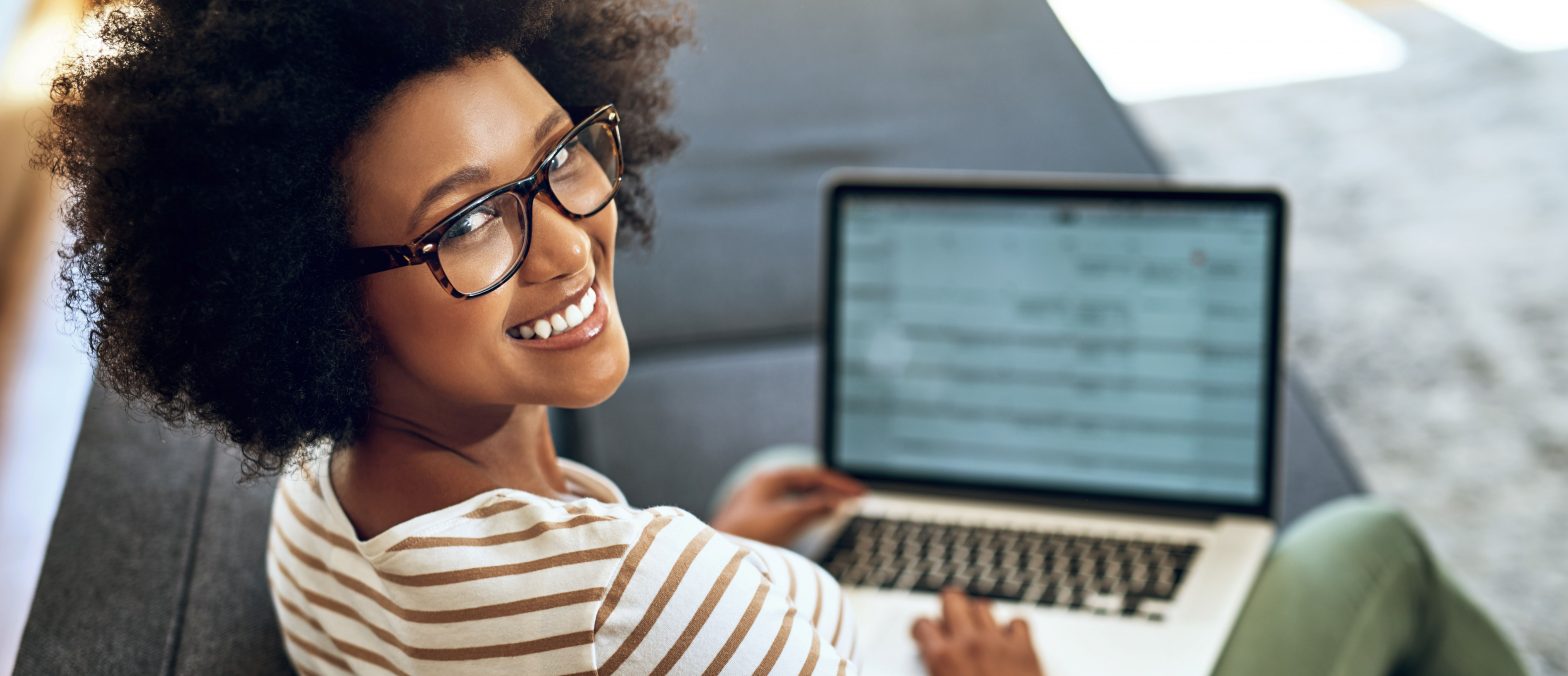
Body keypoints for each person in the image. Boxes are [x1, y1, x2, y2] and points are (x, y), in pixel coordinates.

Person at [36, 1, 1528, 674]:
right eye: (468, 224)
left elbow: (599, 607)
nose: (570, 237)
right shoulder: (685, 605)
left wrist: (718, 544)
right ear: (313, 286)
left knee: (779, 473)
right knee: (1372, 548)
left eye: (562, 156)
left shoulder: (316, 511)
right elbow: (654, 613)